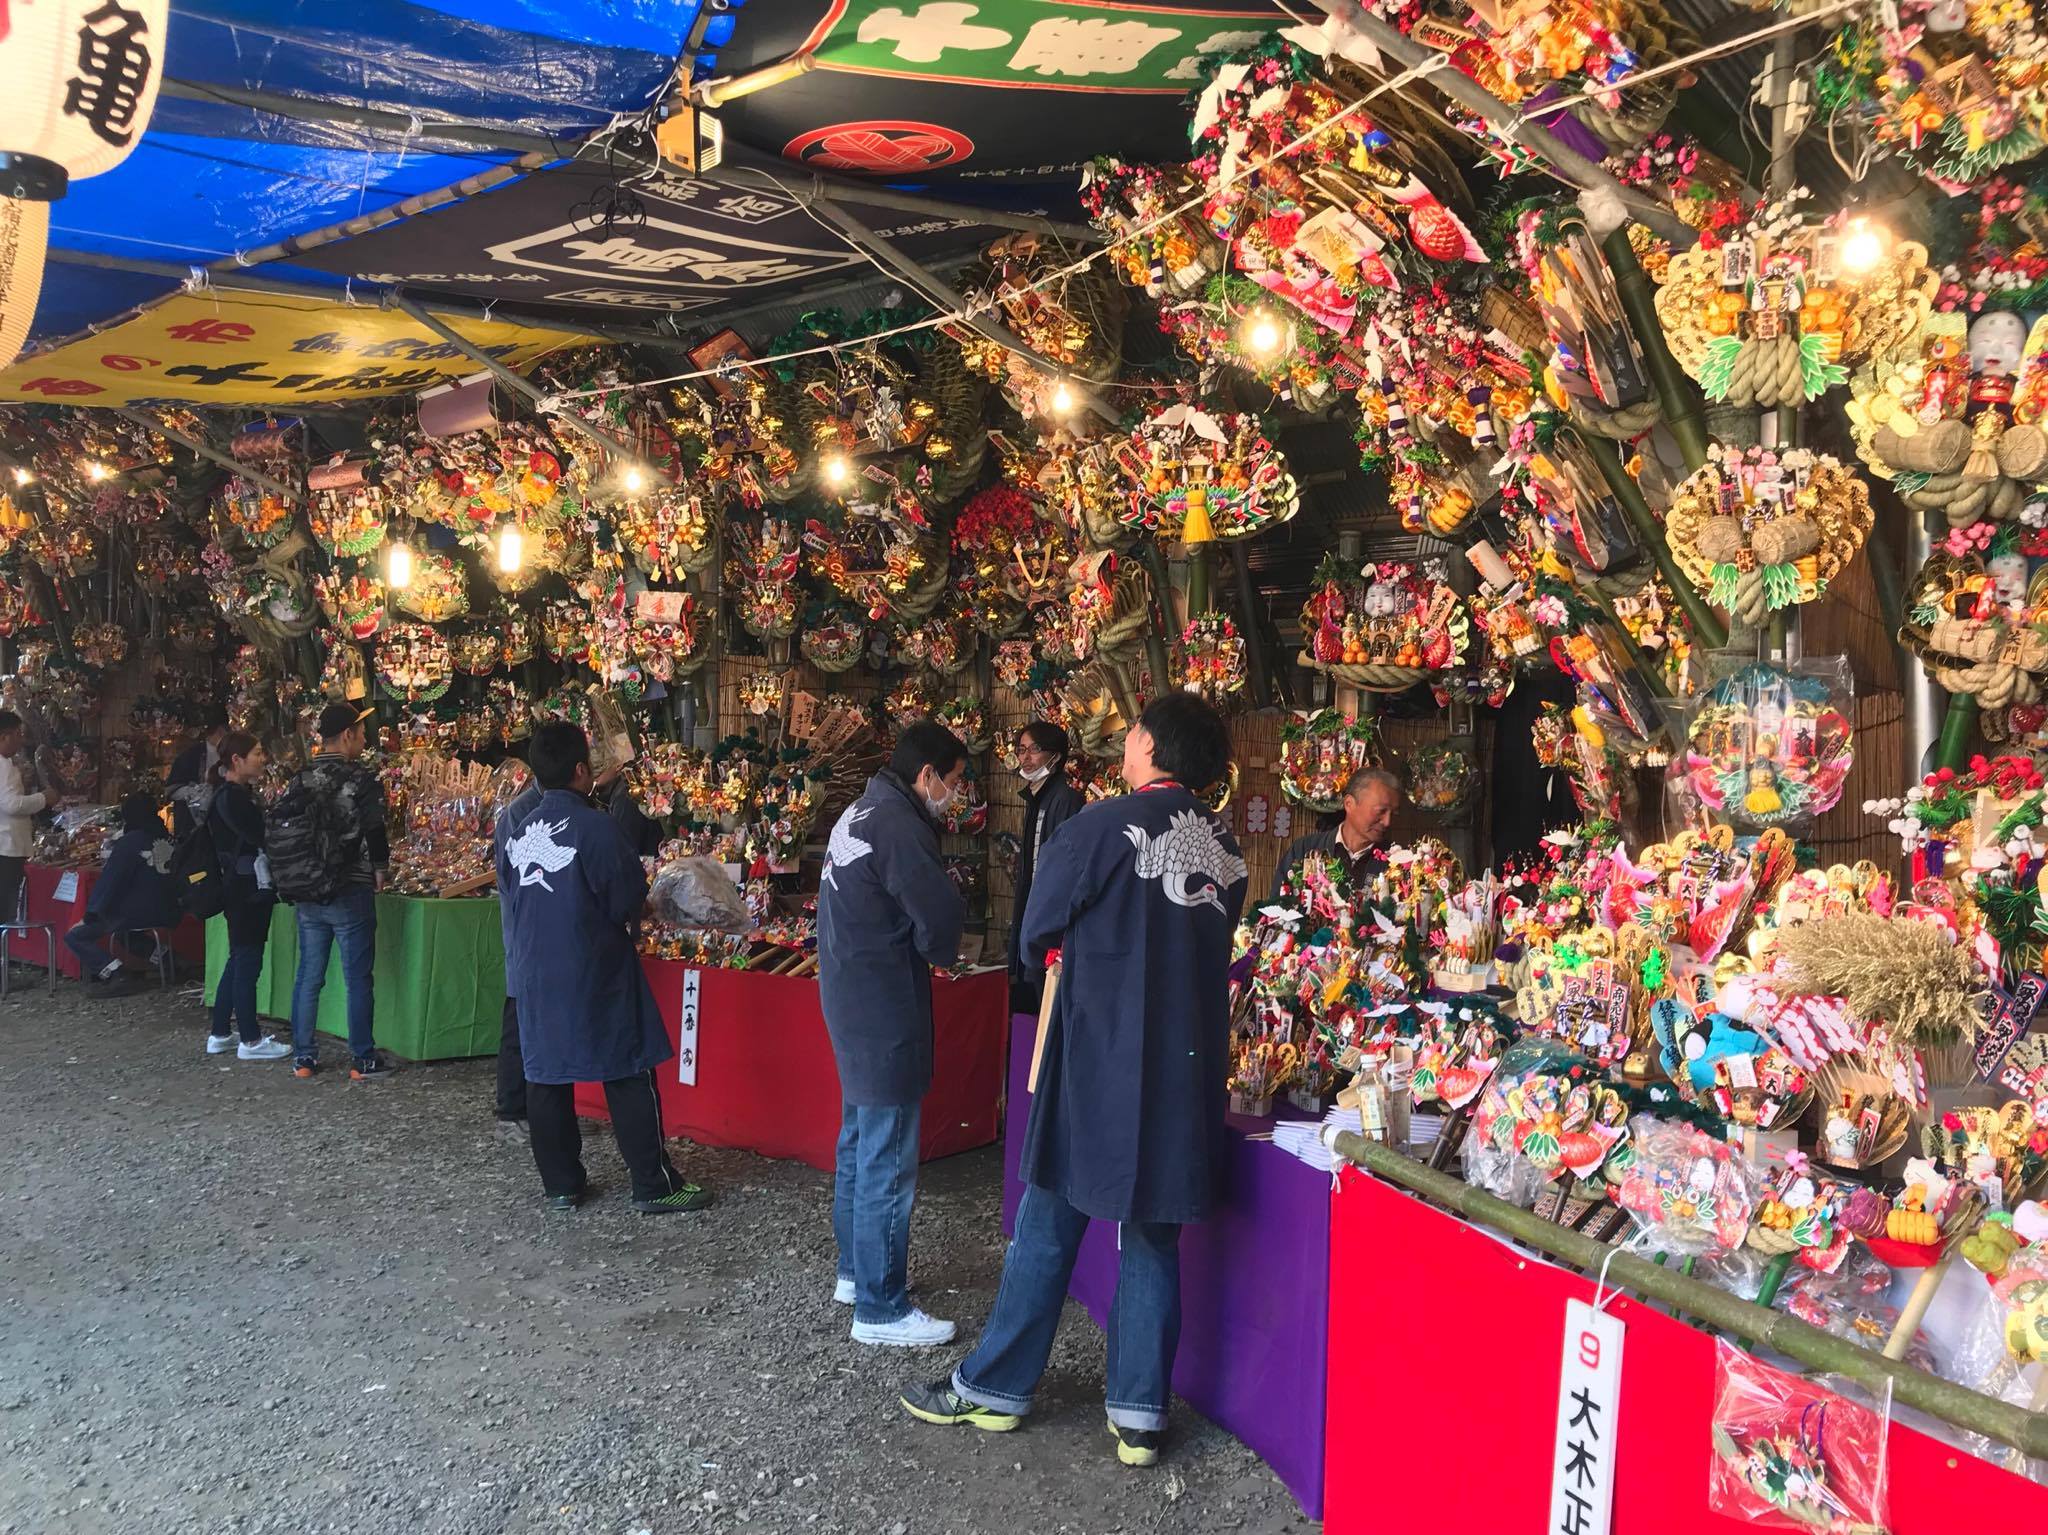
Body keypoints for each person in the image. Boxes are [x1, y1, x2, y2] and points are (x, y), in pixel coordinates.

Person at [902, 693, 1249, 1468]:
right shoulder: (1226, 847)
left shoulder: (1101, 826)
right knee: (1153, 1233)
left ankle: (996, 1388)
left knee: (1049, 1222)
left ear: (1153, 746)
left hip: (1098, 1057)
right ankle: (1139, 1417)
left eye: (1130, 733)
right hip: (1185, 1067)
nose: (1124, 744)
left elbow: (1036, 934)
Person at [496, 721, 712, 1214]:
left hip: (533, 968)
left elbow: (512, 894)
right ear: (580, 770)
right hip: (592, 965)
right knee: (628, 1067)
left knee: (546, 1076)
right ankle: (654, 1183)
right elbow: (627, 900)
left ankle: (561, 1185)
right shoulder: (596, 826)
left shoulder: (515, 828)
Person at [818, 719, 968, 1347]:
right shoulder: (901, 826)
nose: (957, 796)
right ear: (926, 774)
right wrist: (946, 948)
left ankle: (857, 1273)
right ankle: (881, 1307)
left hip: (851, 992)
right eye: (955, 782)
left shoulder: (863, 808)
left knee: (859, 1140)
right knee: (886, 1152)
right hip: (882, 1002)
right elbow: (937, 916)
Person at [283, 702, 393, 1081]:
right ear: (347, 735)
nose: (364, 740)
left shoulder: (301, 778)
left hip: (309, 888)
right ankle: (362, 1060)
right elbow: (375, 829)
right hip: (350, 886)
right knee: (357, 977)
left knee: (308, 976)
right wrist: (380, 868)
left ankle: (303, 1058)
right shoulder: (359, 779)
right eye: (361, 733)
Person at [204, 732, 290, 1061]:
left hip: (237, 885)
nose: (262, 758)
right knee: (247, 963)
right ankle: (251, 1040)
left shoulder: (227, 795)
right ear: (237, 760)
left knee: (238, 958)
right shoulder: (235, 798)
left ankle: (220, 1032)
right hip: (248, 887)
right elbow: (263, 837)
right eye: (256, 753)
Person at [65, 793, 179, 993]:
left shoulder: (130, 842)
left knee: (76, 936)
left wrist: (90, 915)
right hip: (170, 907)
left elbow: (111, 882)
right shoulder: (168, 839)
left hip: (138, 911)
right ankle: (170, 960)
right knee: (124, 935)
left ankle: (115, 972)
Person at [1009, 721, 1084, 1013]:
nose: (1026, 758)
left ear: (1056, 756)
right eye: (1021, 750)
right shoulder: (1036, 798)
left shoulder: (1065, 798)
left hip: (1050, 922)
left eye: (1035, 750)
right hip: (1032, 909)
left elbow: (1063, 869)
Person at [1269, 766, 1400, 904]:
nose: (1387, 822)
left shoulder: (1396, 862)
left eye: (1394, 814)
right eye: (1380, 811)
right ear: (1349, 804)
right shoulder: (1304, 849)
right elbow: (1276, 908)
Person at [0, 709, 44, 927]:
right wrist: (43, 798)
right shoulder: (3, 766)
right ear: (4, 736)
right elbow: (11, 804)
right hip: (6, 849)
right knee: (4, 912)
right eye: (18, 734)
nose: (21, 739)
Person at [168, 707, 229, 838]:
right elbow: (172, 789)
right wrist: (196, 792)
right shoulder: (190, 756)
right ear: (220, 730)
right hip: (193, 826)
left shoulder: (231, 754)